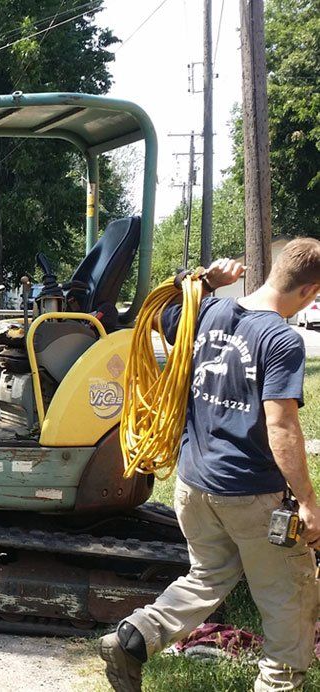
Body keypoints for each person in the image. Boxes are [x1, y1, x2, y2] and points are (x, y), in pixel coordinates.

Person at [101, 239, 320, 692]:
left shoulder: (210, 313)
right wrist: (307, 501)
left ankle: (133, 637)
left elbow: (160, 312)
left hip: (193, 485)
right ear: (310, 292)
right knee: (289, 596)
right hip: (248, 494)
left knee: (207, 576)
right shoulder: (281, 339)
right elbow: (280, 425)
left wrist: (198, 281)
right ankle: (279, 685)